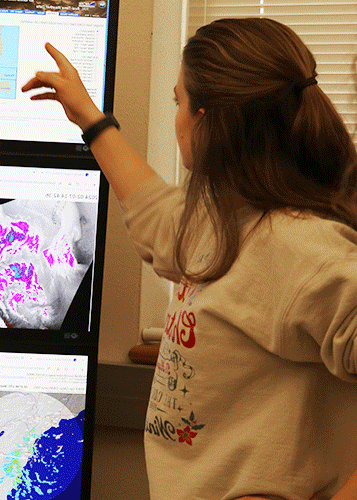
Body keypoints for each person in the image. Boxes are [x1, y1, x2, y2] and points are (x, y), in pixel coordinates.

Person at [22, 17, 357, 500]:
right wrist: (90, 120)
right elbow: (156, 215)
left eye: (178, 101)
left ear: (207, 120)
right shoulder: (225, 223)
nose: (176, 115)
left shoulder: (302, 250)